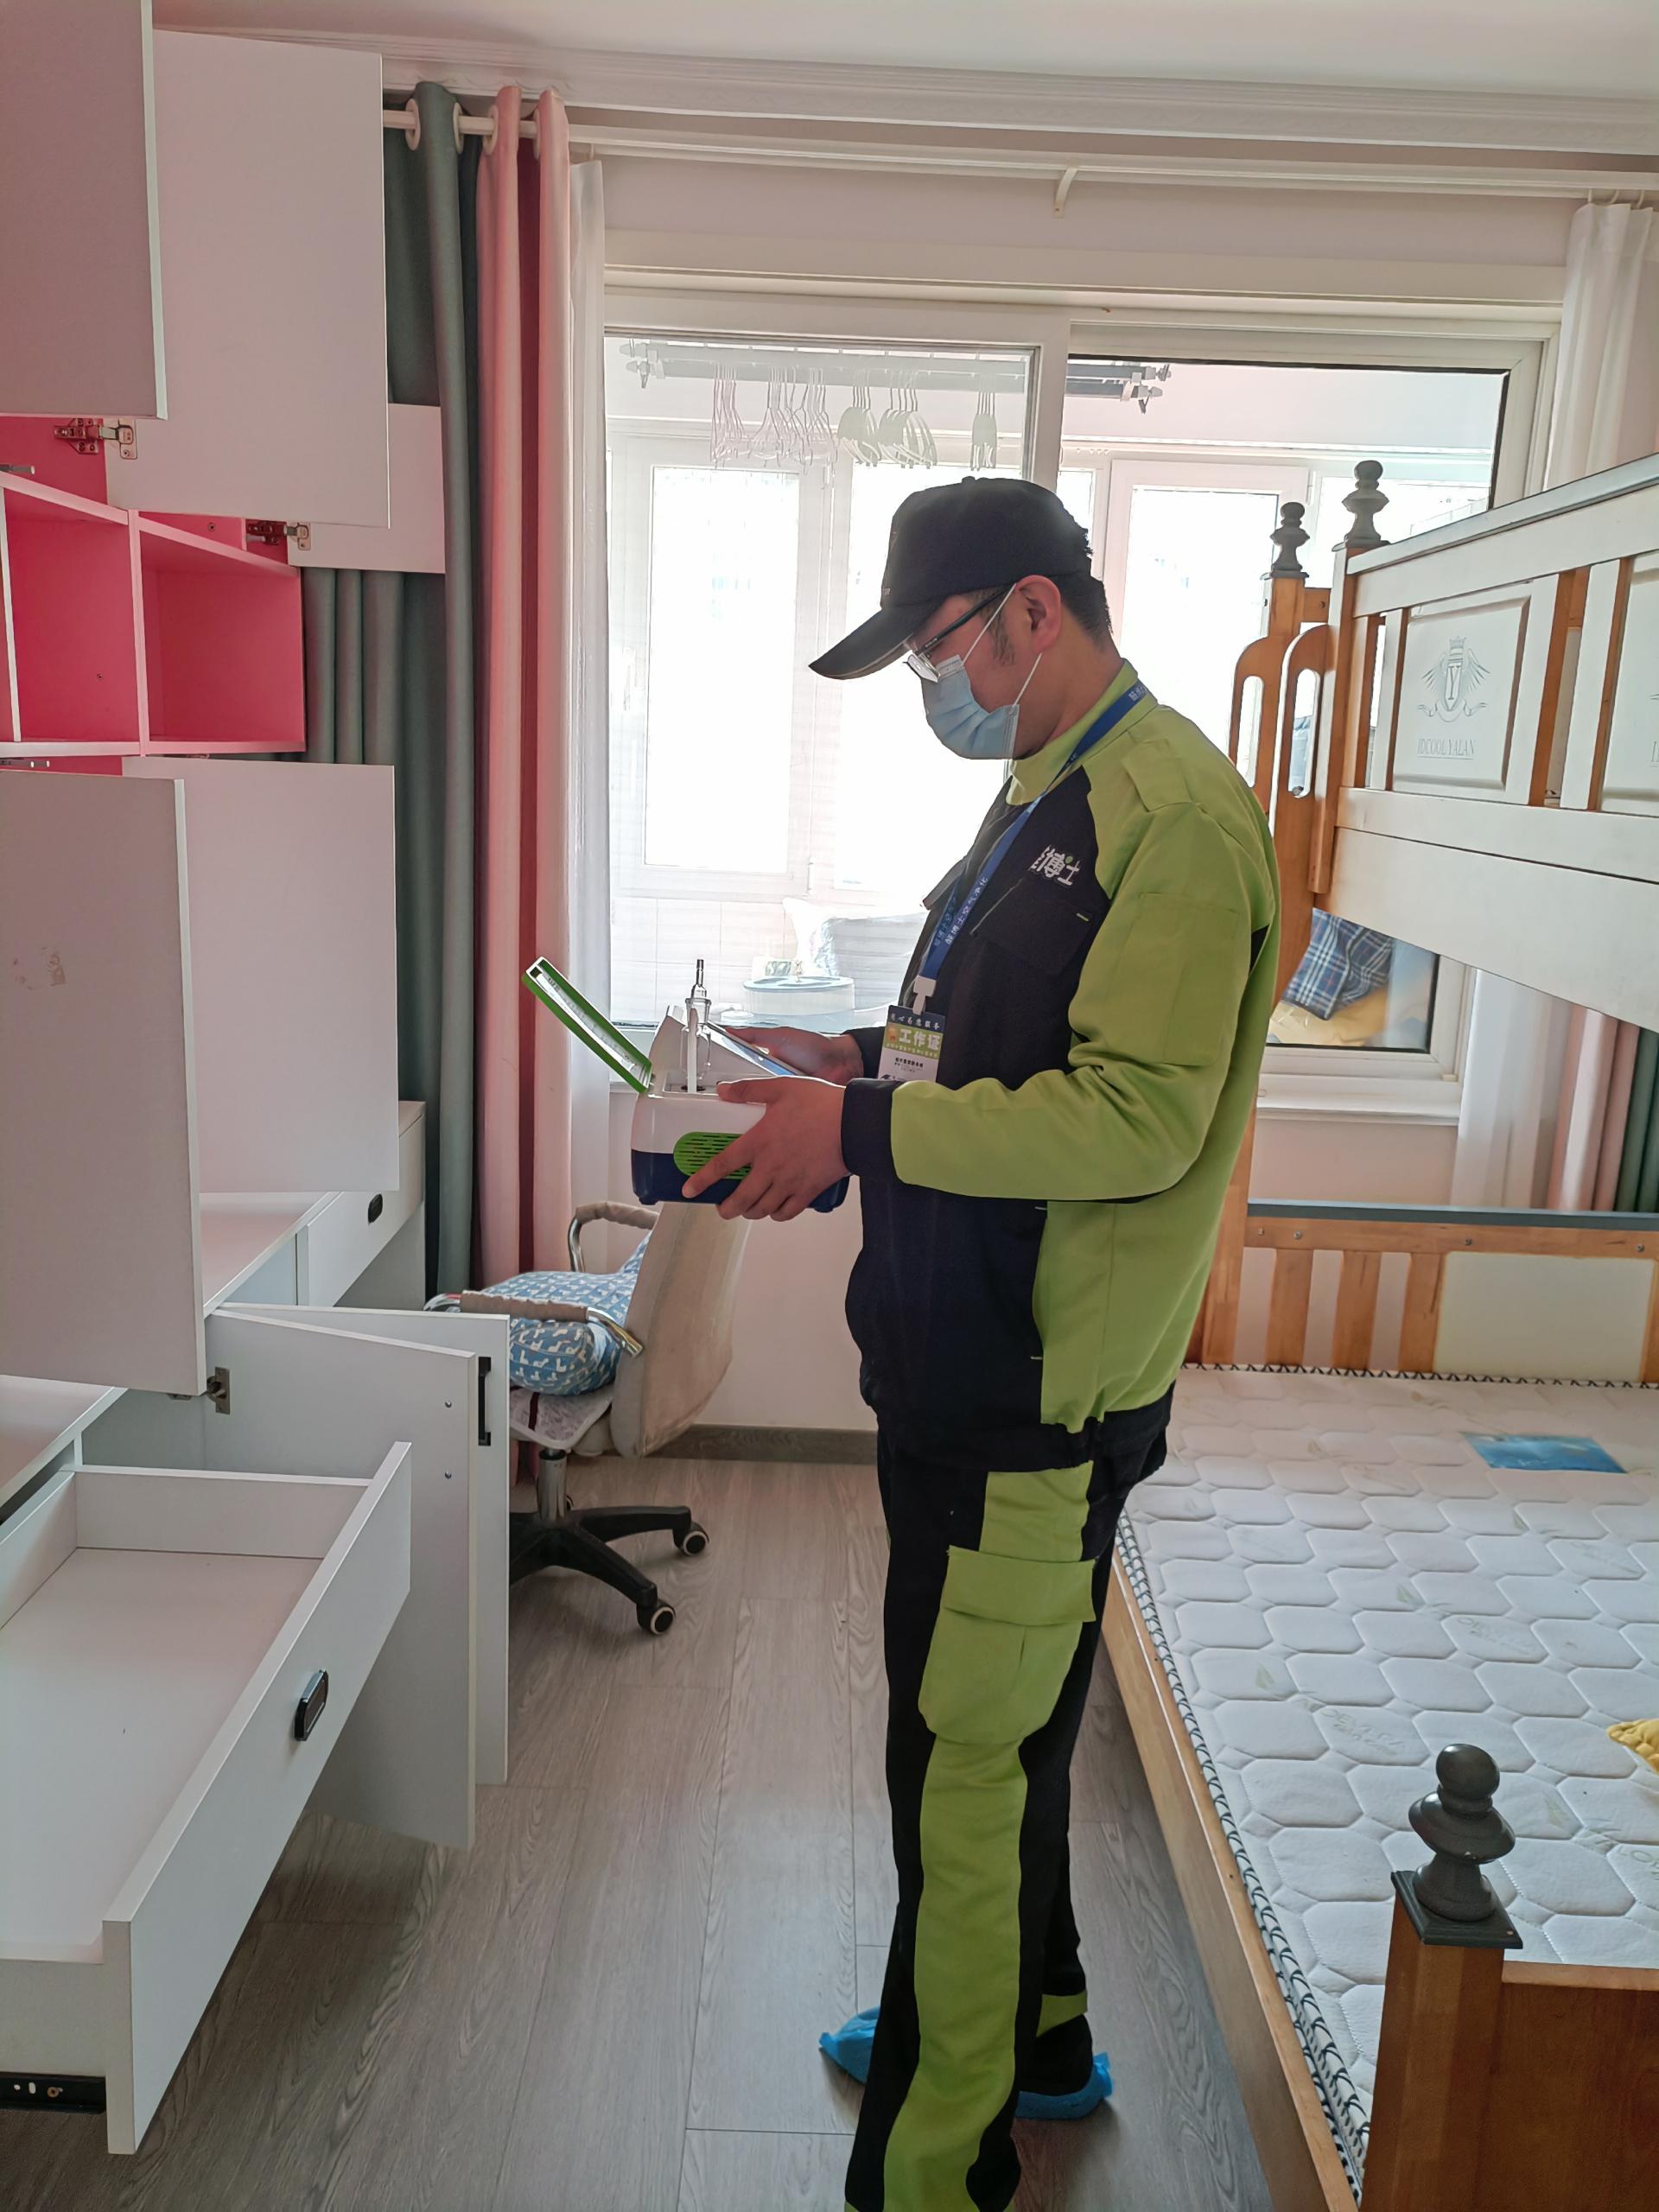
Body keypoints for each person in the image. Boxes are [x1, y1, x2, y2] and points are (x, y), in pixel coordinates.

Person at [682, 476, 1280, 2212]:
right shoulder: (1041, 792)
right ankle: (1039, 2032)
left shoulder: (1177, 820)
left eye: (940, 648)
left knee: (961, 1770)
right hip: (955, 1358)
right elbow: (982, 1044)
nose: (934, 686)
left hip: (1035, 1390)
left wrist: (861, 1128)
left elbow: (1138, 1120)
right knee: (996, 1743)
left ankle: (936, 2168)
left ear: (1034, 607)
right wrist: (853, 1064)